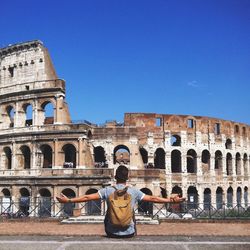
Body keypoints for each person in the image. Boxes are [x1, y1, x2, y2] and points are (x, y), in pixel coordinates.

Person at [56, 165, 185, 238]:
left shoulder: (107, 190)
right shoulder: (133, 191)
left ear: (115, 177)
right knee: (132, 212)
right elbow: (153, 198)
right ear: (128, 177)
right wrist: (171, 200)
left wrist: (68, 200)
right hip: (129, 233)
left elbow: (86, 198)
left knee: (108, 213)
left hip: (111, 232)